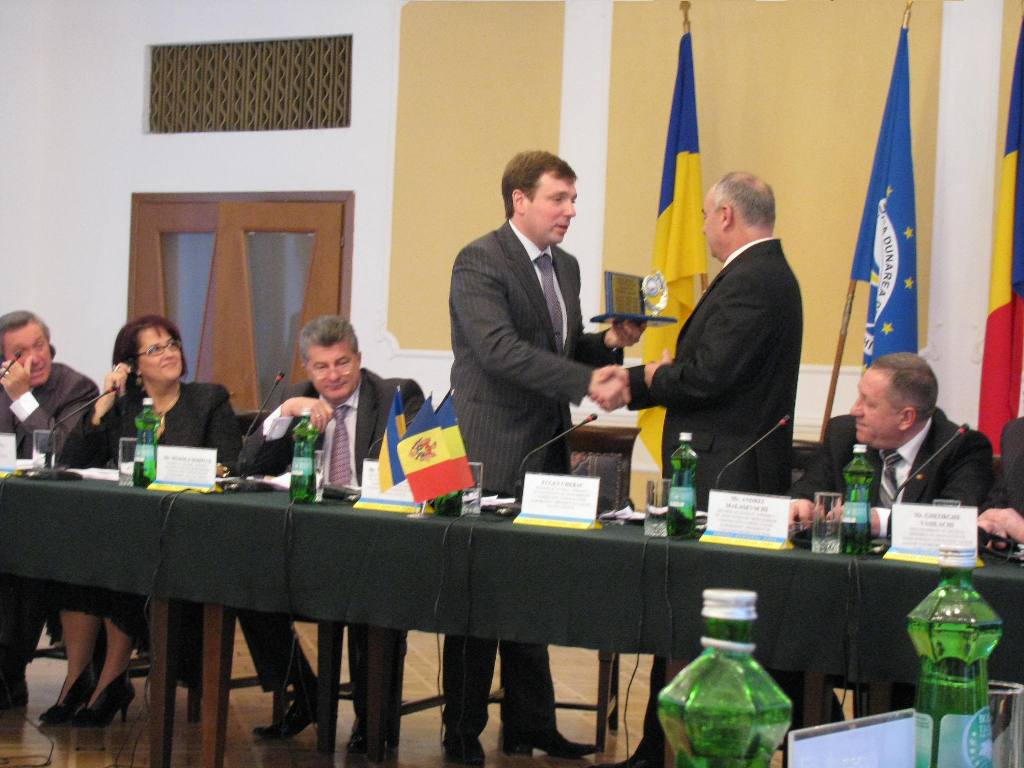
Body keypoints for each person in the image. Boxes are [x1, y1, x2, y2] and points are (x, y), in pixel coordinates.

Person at [444, 150, 642, 766]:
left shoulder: (567, 267)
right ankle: (461, 729)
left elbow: (558, 344)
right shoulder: (480, 260)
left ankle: (531, 724)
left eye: (573, 199)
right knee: (480, 595)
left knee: (532, 592)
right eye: (559, 198)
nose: (570, 210)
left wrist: (607, 343)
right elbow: (500, 350)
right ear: (520, 200)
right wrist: (587, 383)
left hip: (548, 448)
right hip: (493, 448)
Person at [603, 171, 803, 768]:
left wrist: (647, 379)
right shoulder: (762, 274)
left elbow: (709, 377)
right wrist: (660, 375)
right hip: (726, 470)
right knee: (696, 618)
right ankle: (660, 746)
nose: (703, 228)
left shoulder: (754, 280)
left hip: (726, 477)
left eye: (704, 216)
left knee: (702, 618)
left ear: (725, 216)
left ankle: (672, 749)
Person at [239, 315, 423, 752]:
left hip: (375, 544)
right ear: (307, 368)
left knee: (370, 598)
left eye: (343, 363)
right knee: (245, 585)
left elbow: (418, 471)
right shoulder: (295, 398)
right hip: (308, 546)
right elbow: (247, 465)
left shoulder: (397, 395)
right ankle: (304, 691)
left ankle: (371, 720)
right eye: (321, 366)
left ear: (359, 359)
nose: (333, 375)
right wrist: (286, 412)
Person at [49, 314, 241, 727]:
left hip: (186, 531)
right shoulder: (124, 408)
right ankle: (77, 678)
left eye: (172, 344)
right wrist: (101, 407)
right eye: (155, 349)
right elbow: (72, 461)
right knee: (76, 559)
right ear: (132, 366)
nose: (169, 353)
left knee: (122, 561)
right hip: (126, 526)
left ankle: (111, 680)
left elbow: (229, 464)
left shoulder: (208, 400)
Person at [0, 310, 99, 709]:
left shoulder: (76, 388)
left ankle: (8, 668)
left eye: (39, 345)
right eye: (20, 352)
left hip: (55, 519)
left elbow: (60, 451)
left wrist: (22, 399)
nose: (35, 358)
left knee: (21, 556)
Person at [790, 353, 993, 524]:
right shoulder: (843, 434)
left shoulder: (961, 448)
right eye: (859, 396)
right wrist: (800, 504)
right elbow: (807, 490)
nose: (854, 410)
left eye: (869, 404)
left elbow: (954, 521)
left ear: (906, 418)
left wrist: (884, 521)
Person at [979, 417, 1024, 545]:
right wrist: (990, 523)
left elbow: (1012, 523)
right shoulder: (1016, 432)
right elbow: (999, 500)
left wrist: (1020, 531)